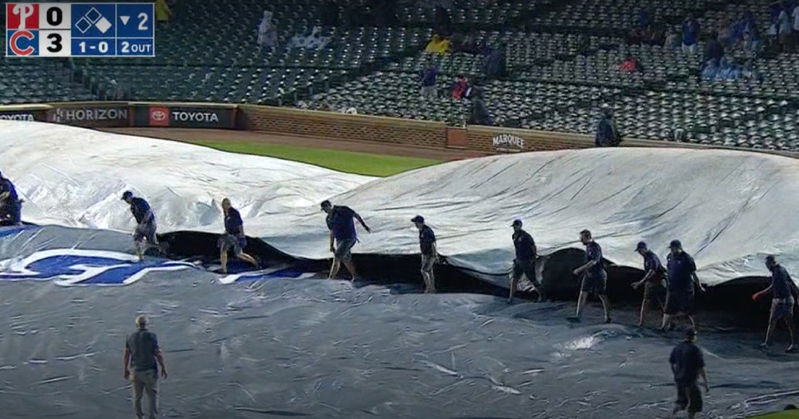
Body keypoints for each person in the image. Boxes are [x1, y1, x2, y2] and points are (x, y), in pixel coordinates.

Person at [124, 315, 167, 419]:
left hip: (135, 371)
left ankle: (139, 416)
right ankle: (152, 416)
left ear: (137, 324)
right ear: (147, 324)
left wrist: (126, 369)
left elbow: (126, 354)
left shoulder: (130, 336)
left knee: (137, 397)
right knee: (152, 396)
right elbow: (158, 353)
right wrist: (163, 367)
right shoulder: (151, 336)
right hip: (149, 371)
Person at [752, 255, 798, 352]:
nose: (767, 266)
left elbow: (773, 287)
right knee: (789, 322)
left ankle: (767, 343)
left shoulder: (776, 272)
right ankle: (794, 344)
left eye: (767, 264)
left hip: (780, 300)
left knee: (772, 321)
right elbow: (791, 282)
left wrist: (759, 294)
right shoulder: (783, 269)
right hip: (789, 299)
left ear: (771, 263)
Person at [661, 240, 705, 332]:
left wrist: (699, 286)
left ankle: (696, 328)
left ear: (679, 248)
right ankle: (664, 327)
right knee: (668, 308)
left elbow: (693, 274)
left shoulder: (687, 258)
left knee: (689, 309)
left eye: (673, 248)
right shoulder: (670, 257)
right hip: (672, 287)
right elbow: (669, 270)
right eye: (671, 248)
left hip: (685, 288)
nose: (672, 250)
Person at [322, 200, 371, 281]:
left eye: (326, 207)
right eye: (324, 209)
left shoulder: (342, 210)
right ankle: (355, 276)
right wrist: (331, 245)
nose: (325, 210)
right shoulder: (328, 219)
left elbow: (356, 215)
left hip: (349, 238)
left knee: (337, 256)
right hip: (339, 240)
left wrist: (365, 226)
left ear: (330, 205)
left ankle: (331, 278)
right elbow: (332, 231)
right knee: (345, 259)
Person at [570, 230, 612, 323]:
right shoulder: (588, 247)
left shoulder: (595, 247)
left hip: (598, 274)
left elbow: (594, 261)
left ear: (587, 237)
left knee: (602, 295)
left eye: (582, 239)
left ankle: (607, 317)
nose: (581, 241)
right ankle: (578, 316)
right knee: (582, 294)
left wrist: (580, 269)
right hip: (589, 274)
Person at [670, 329, 709, 419]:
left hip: (679, 379)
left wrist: (676, 375)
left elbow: (672, 363)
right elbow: (700, 367)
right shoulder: (695, 349)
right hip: (690, 380)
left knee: (682, 401)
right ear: (694, 337)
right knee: (695, 402)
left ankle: (671, 415)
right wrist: (706, 382)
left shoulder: (677, 347)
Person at [631, 242, 667, 327]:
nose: (639, 253)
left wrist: (641, 282)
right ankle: (642, 322)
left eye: (640, 250)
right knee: (647, 301)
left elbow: (652, 271)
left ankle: (668, 323)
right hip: (652, 282)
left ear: (644, 249)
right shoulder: (646, 257)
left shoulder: (652, 257)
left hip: (657, 281)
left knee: (662, 303)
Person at [218, 198, 259, 274]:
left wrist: (242, 236)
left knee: (239, 254)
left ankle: (255, 263)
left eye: (228, 204)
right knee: (223, 250)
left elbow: (240, 224)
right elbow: (227, 225)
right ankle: (224, 269)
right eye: (225, 204)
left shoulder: (234, 213)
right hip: (229, 235)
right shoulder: (226, 213)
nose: (226, 206)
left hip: (236, 235)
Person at [508, 219, 544, 303]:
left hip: (526, 260)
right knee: (514, 279)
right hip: (518, 260)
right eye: (513, 226)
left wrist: (534, 257)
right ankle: (511, 298)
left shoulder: (526, 236)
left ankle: (542, 295)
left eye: (516, 226)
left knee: (532, 279)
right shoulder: (514, 235)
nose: (514, 228)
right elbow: (517, 248)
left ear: (520, 226)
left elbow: (533, 246)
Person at [121, 191, 158, 262]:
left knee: (151, 242)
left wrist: (144, 222)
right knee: (137, 239)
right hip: (141, 225)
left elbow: (148, 212)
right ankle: (141, 258)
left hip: (149, 224)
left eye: (126, 198)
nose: (125, 201)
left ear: (129, 197)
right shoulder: (132, 206)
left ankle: (155, 258)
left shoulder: (140, 202)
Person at [412, 215, 438, 293]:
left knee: (424, 270)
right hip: (425, 253)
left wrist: (434, 255)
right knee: (429, 271)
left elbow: (433, 243)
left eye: (416, 223)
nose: (415, 225)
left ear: (420, 223)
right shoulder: (422, 230)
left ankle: (429, 288)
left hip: (429, 254)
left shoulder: (427, 231)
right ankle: (432, 288)